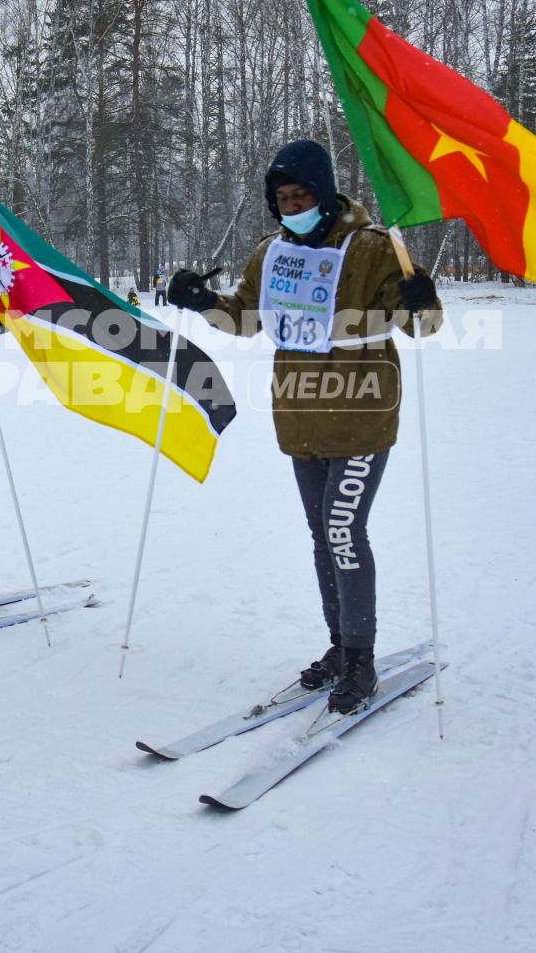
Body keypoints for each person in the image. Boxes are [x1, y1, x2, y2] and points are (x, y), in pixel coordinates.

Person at [166, 138, 441, 716]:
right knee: (322, 537)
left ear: (325, 191)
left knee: (343, 530)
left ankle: (361, 659)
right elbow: (242, 318)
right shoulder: (271, 253)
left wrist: (423, 300)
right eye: (283, 199)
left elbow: (423, 326)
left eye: (302, 195)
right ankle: (341, 647)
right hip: (299, 416)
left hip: (362, 416)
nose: (292, 207)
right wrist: (198, 300)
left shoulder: (371, 247)